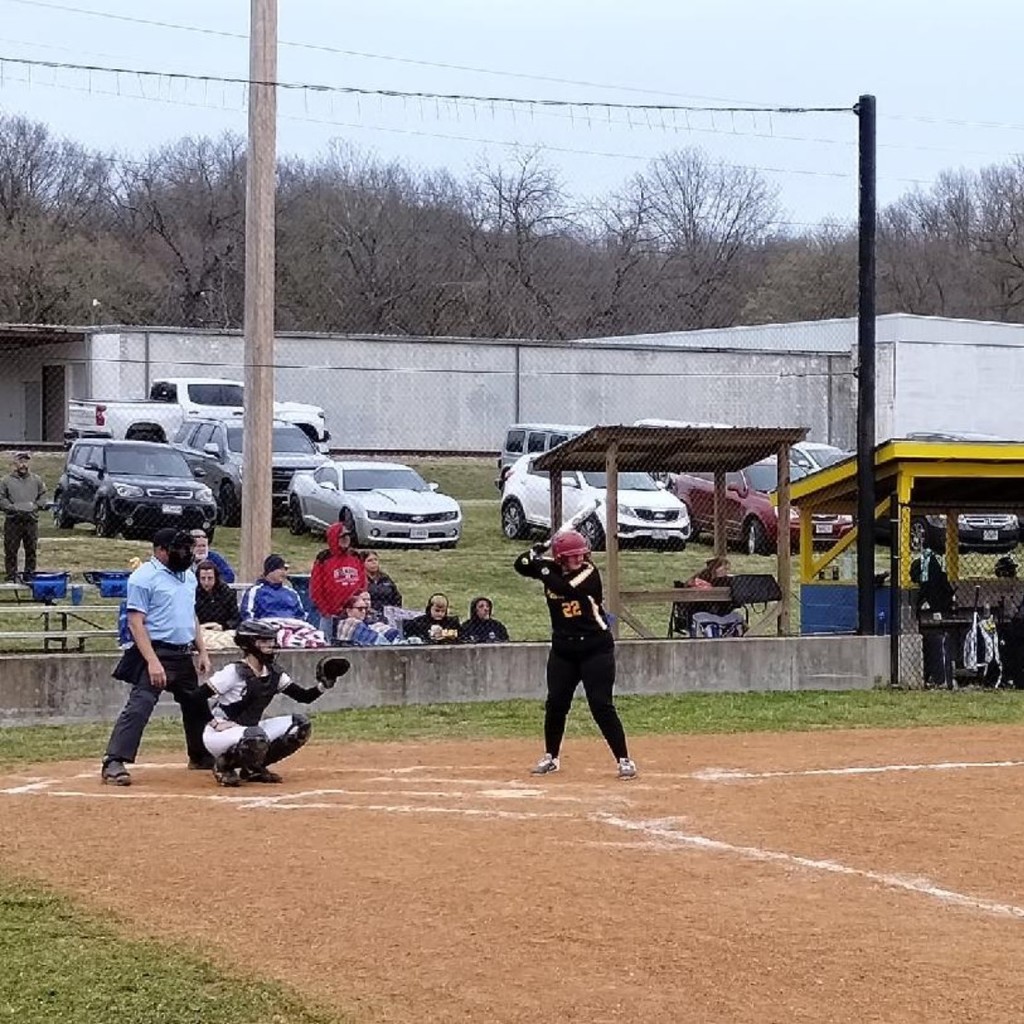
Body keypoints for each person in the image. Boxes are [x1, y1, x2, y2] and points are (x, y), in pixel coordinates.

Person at [514, 530, 636, 780]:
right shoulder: (551, 567)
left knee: (601, 704)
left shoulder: (588, 573)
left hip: (595, 647)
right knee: (556, 703)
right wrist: (533, 553)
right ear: (561, 558)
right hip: (563, 650)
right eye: (573, 556)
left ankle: (624, 760)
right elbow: (520, 565)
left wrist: (540, 566)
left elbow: (563, 588)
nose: (579, 559)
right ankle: (551, 757)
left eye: (581, 554)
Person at [100, 528, 212, 786]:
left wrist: (202, 650)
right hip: (155, 651)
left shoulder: (188, 576)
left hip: (182, 653)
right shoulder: (143, 577)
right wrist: (152, 661)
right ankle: (114, 761)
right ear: (161, 550)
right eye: (180, 549)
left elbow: (190, 614)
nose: (186, 554)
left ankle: (201, 755)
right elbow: (135, 622)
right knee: (140, 705)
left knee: (196, 705)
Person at [199, 619, 349, 787]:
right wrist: (214, 723)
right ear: (249, 644)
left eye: (271, 640)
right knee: (256, 736)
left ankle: (253, 768)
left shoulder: (273, 673)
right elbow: (196, 697)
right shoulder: (234, 672)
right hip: (219, 735)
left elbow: (303, 696)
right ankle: (224, 766)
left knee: (300, 725)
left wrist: (324, 684)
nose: (270, 645)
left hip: (248, 731)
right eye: (264, 641)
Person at [310, 522, 366, 641]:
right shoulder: (324, 558)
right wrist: (326, 612)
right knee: (327, 645)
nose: (346, 539)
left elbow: (362, 583)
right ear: (334, 538)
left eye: (347, 536)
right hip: (331, 615)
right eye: (342, 537)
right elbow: (316, 588)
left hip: (353, 613)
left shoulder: (355, 556)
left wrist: (358, 605)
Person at [1, 451, 47, 582]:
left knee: (31, 549)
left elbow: (43, 496)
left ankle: (29, 575)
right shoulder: (6, 481)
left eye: (26, 461)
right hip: (13, 521)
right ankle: (11, 575)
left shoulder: (36, 480)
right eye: (20, 461)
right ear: (14, 463)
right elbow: (1, 498)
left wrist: (36, 506)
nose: (23, 465)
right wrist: (12, 507)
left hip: (30, 521)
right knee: (11, 550)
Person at [239, 555, 306, 621]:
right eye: (280, 569)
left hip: (292, 627)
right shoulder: (255, 591)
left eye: (285, 569)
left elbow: (301, 615)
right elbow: (248, 614)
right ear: (270, 571)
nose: (284, 573)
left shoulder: (292, 593)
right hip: (267, 628)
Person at [334, 594, 403, 646]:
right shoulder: (348, 623)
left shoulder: (368, 623)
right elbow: (375, 640)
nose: (363, 611)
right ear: (349, 611)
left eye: (365, 608)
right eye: (360, 609)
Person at [194, 559, 240, 631]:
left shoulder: (227, 593)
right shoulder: (192, 594)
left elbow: (236, 619)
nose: (206, 582)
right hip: (198, 631)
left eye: (210, 578)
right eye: (203, 578)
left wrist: (223, 626)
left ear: (216, 577)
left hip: (222, 631)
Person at [363, 550, 402, 616]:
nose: (374, 562)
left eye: (376, 560)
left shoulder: (385, 578)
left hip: (389, 612)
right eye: (370, 560)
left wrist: (395, 609)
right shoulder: (360, 579)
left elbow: (397, 597)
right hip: (369, 613)